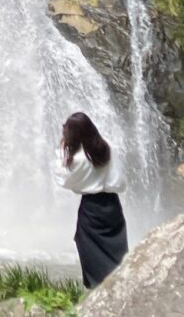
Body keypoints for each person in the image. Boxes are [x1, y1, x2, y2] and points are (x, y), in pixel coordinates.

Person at [57, 112, 128, 288]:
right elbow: (119, 178)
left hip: (91, 207)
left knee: (89, 248)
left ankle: (98, 288)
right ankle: (123, 283)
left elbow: (63, 180)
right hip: (112, 205)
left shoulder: (79, 159)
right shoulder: (107, 147)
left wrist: (63, 153)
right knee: (115, 247)